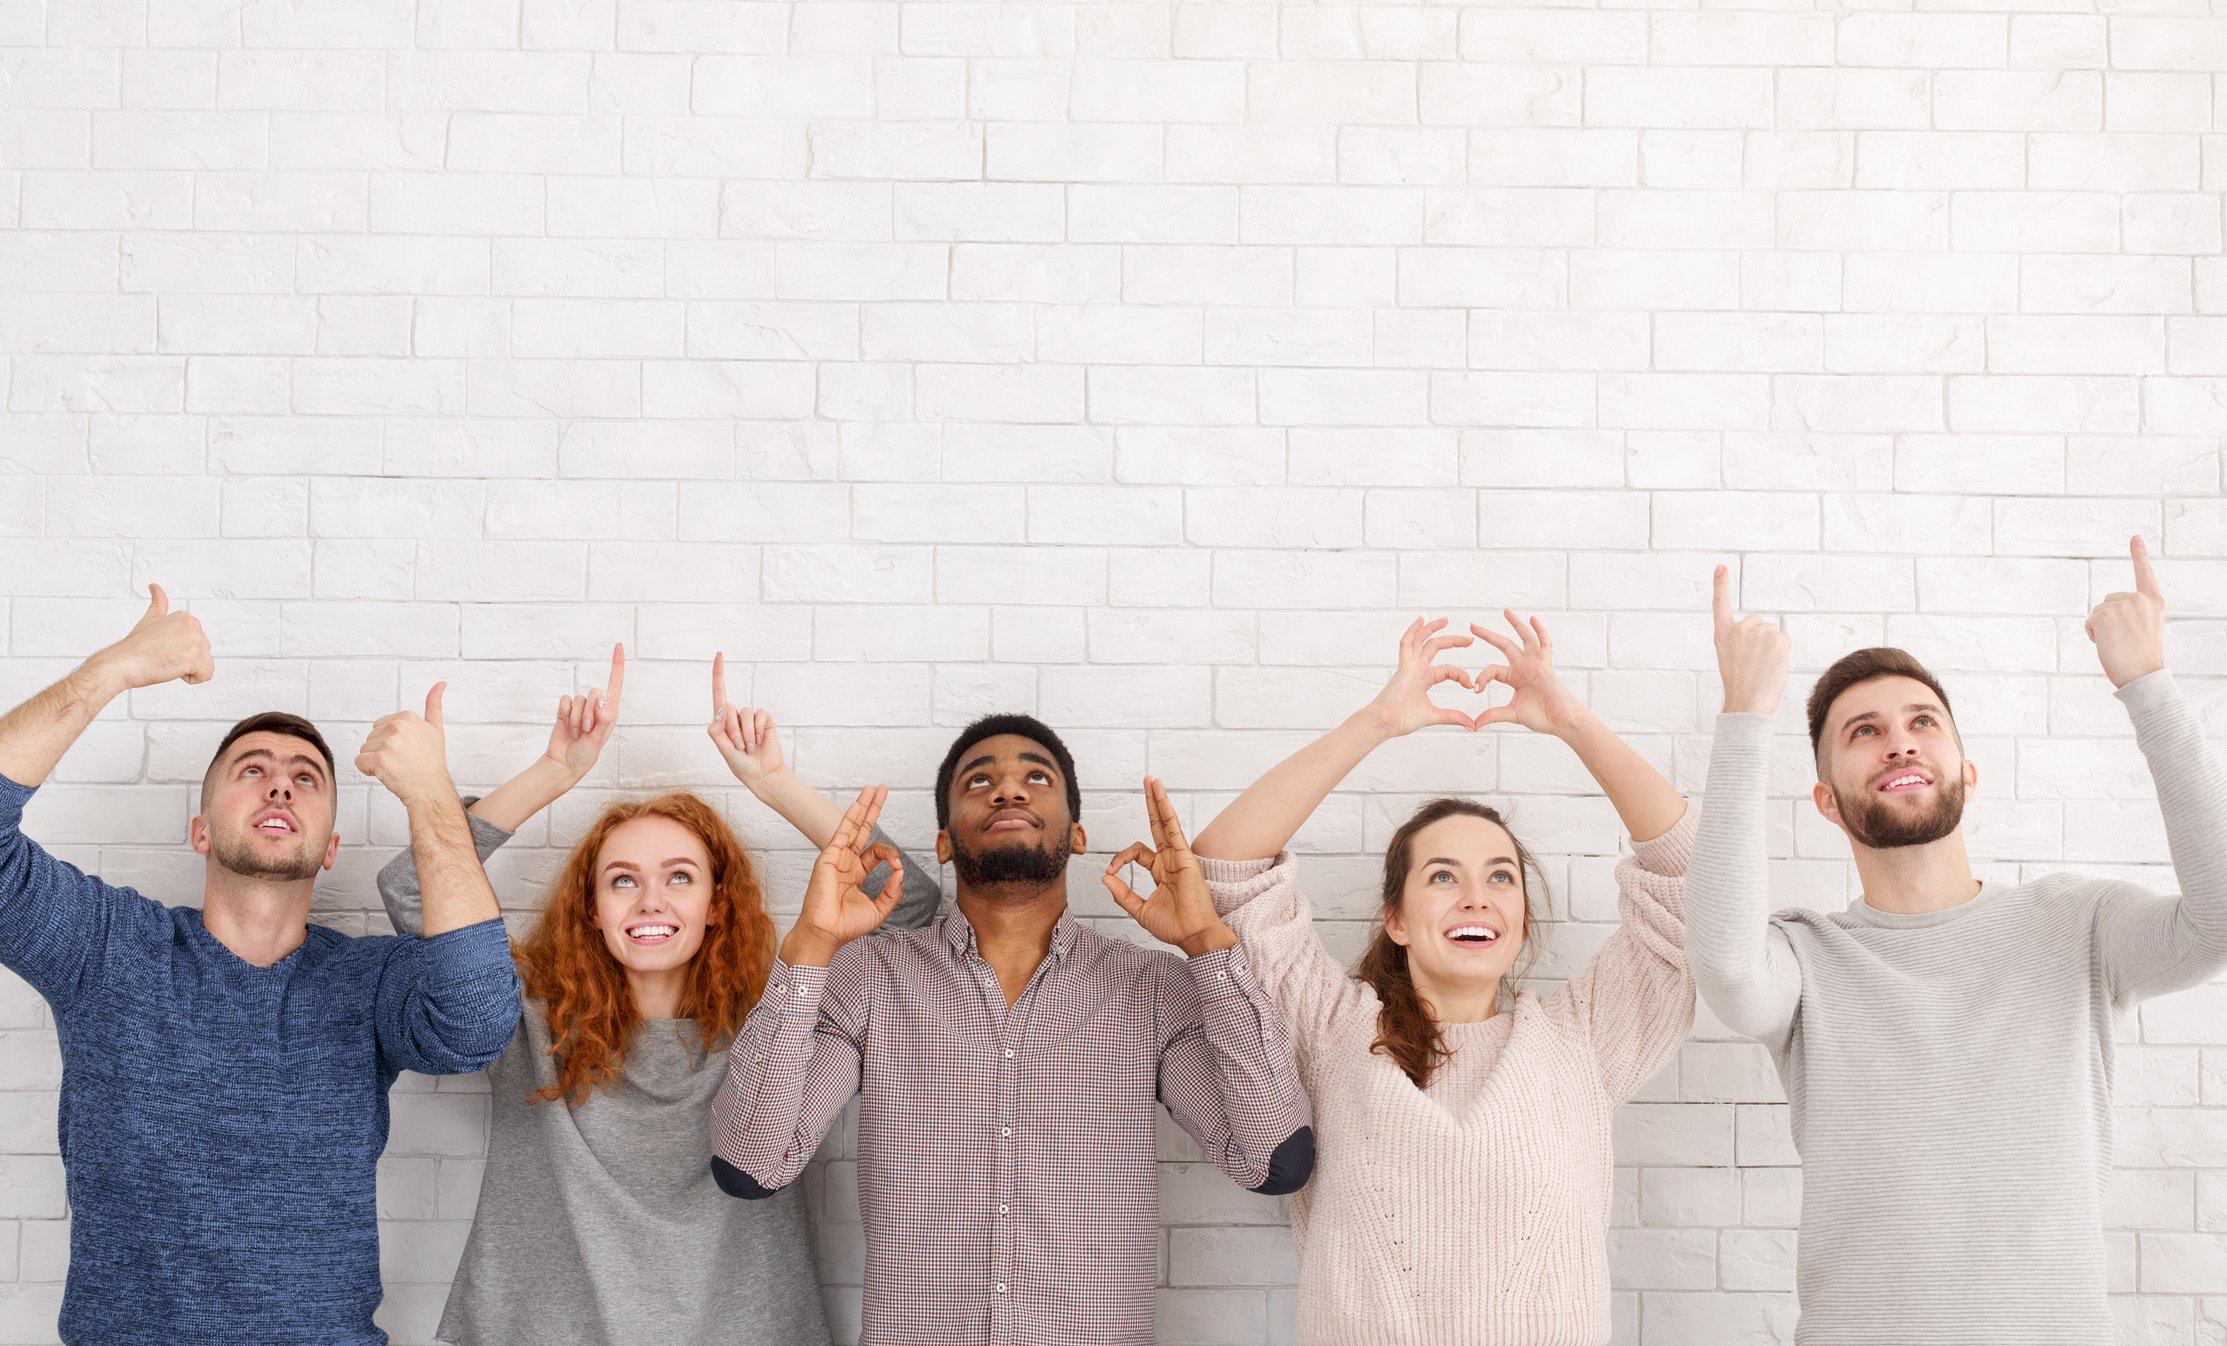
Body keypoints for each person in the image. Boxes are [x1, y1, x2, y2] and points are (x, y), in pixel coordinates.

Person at [1688, 538, 2227, 1345]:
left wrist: (2147, 686)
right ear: (1827, 803)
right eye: (1862, 732)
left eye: (1921, 723)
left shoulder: (2077, 926)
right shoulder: (1805, 961)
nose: (1898, 742)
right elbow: (1726, 968)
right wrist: (1743, 716)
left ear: (1965, 772)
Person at [0, 586, 518, 1346]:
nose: (281, 782)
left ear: (330, 848)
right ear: (201, 830)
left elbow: (477, 1022)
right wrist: (112, 670)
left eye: (307, 777)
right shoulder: (111, 950)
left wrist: (430, 795)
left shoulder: (372, 982)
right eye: (252, 768)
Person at [374, 648, 938, 1346]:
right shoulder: (525, 1019)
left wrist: (773, 782)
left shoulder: (781, 1027)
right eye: (621, 880)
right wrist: (553, 773)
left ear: (715, 906)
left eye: (678, 877)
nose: (649, 899)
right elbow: (409, 888)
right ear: (590, 909)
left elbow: (909, 905)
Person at [710, 712, 1314, 1346]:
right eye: (979, 781)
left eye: (1035, 776)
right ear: (943, 844)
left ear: (1077, 835)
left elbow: (1273, 1158)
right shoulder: (866, 979)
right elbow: (751, 1164)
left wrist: (1207, 942)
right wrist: (807, 950)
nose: (1009, 790)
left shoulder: (1153, 990)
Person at [1186, 613, 1696, 1345]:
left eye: (1499, 877)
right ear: (1394, 917)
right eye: (1442, 877)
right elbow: (1223, 870)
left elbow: (1689, 885)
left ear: (1520, 917)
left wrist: (1572, 722)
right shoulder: (1332, 1030)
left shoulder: (1581, 1041)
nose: (1475, 897)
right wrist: (1378, 721)